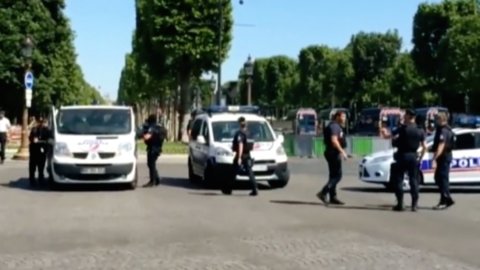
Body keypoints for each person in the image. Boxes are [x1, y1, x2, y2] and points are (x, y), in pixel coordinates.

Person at [391, 109, 427, 212]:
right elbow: (425, 146)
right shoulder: (420, 130)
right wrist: (420, 157)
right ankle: (414, 205)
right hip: (413, 157)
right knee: (414, 180)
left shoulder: (402, 129)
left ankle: (400, 204)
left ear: (407, 116)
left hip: (402, 155)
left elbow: (394, 140)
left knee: (398, 180)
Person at [317, 111, 348, 205]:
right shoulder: (334, 126)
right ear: (337, 117)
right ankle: (323, 192)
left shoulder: (336, 126)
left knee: (333, 175)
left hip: (332, 152)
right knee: (338, 176)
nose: (344, 119)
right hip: (333, 153)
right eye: (343, 116)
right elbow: (334, 140)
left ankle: (332, 197)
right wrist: (342, 151)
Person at [222, 116, 258, 196]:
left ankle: (228, 189)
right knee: (250, 172)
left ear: (239, 124)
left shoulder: (240, 134)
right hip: (248, 154)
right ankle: (255, 189)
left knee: (233, 172)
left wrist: (239, 157)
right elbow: (252, 144)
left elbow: (240, 145)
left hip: (241, 155)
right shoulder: (249, 133)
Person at [431, 112, 455, 210]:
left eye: (437, 119)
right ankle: (445, 199)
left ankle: (446, 200)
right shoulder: (445, 129)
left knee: (442, 179)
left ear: (442, 119)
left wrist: (434, 159)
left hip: (444, 157)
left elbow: (441, 145)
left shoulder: (444, 131)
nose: (436, 121)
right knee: (439, 178)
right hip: (444, 157)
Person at [142, 114, 167, 187]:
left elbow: (147, 137)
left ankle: (152, 181)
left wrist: (143, 134)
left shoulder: (151, 127)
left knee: (151, 164)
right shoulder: (159, 127)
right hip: (158, 148)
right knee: (152, 164)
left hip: (152, 148)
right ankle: (156, 179)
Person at [28, 116, 50, 186]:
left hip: (42, 150)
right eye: (40, 122)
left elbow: (48, 139)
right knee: (32, 166)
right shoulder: (34, 129)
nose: (41, 123)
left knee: (41, 166)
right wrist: (33, 139)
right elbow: (31, 138)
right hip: (34, 150)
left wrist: (42, 141)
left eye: (42, 122)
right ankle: (32, 179)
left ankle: (41, 178)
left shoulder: (46, 130)